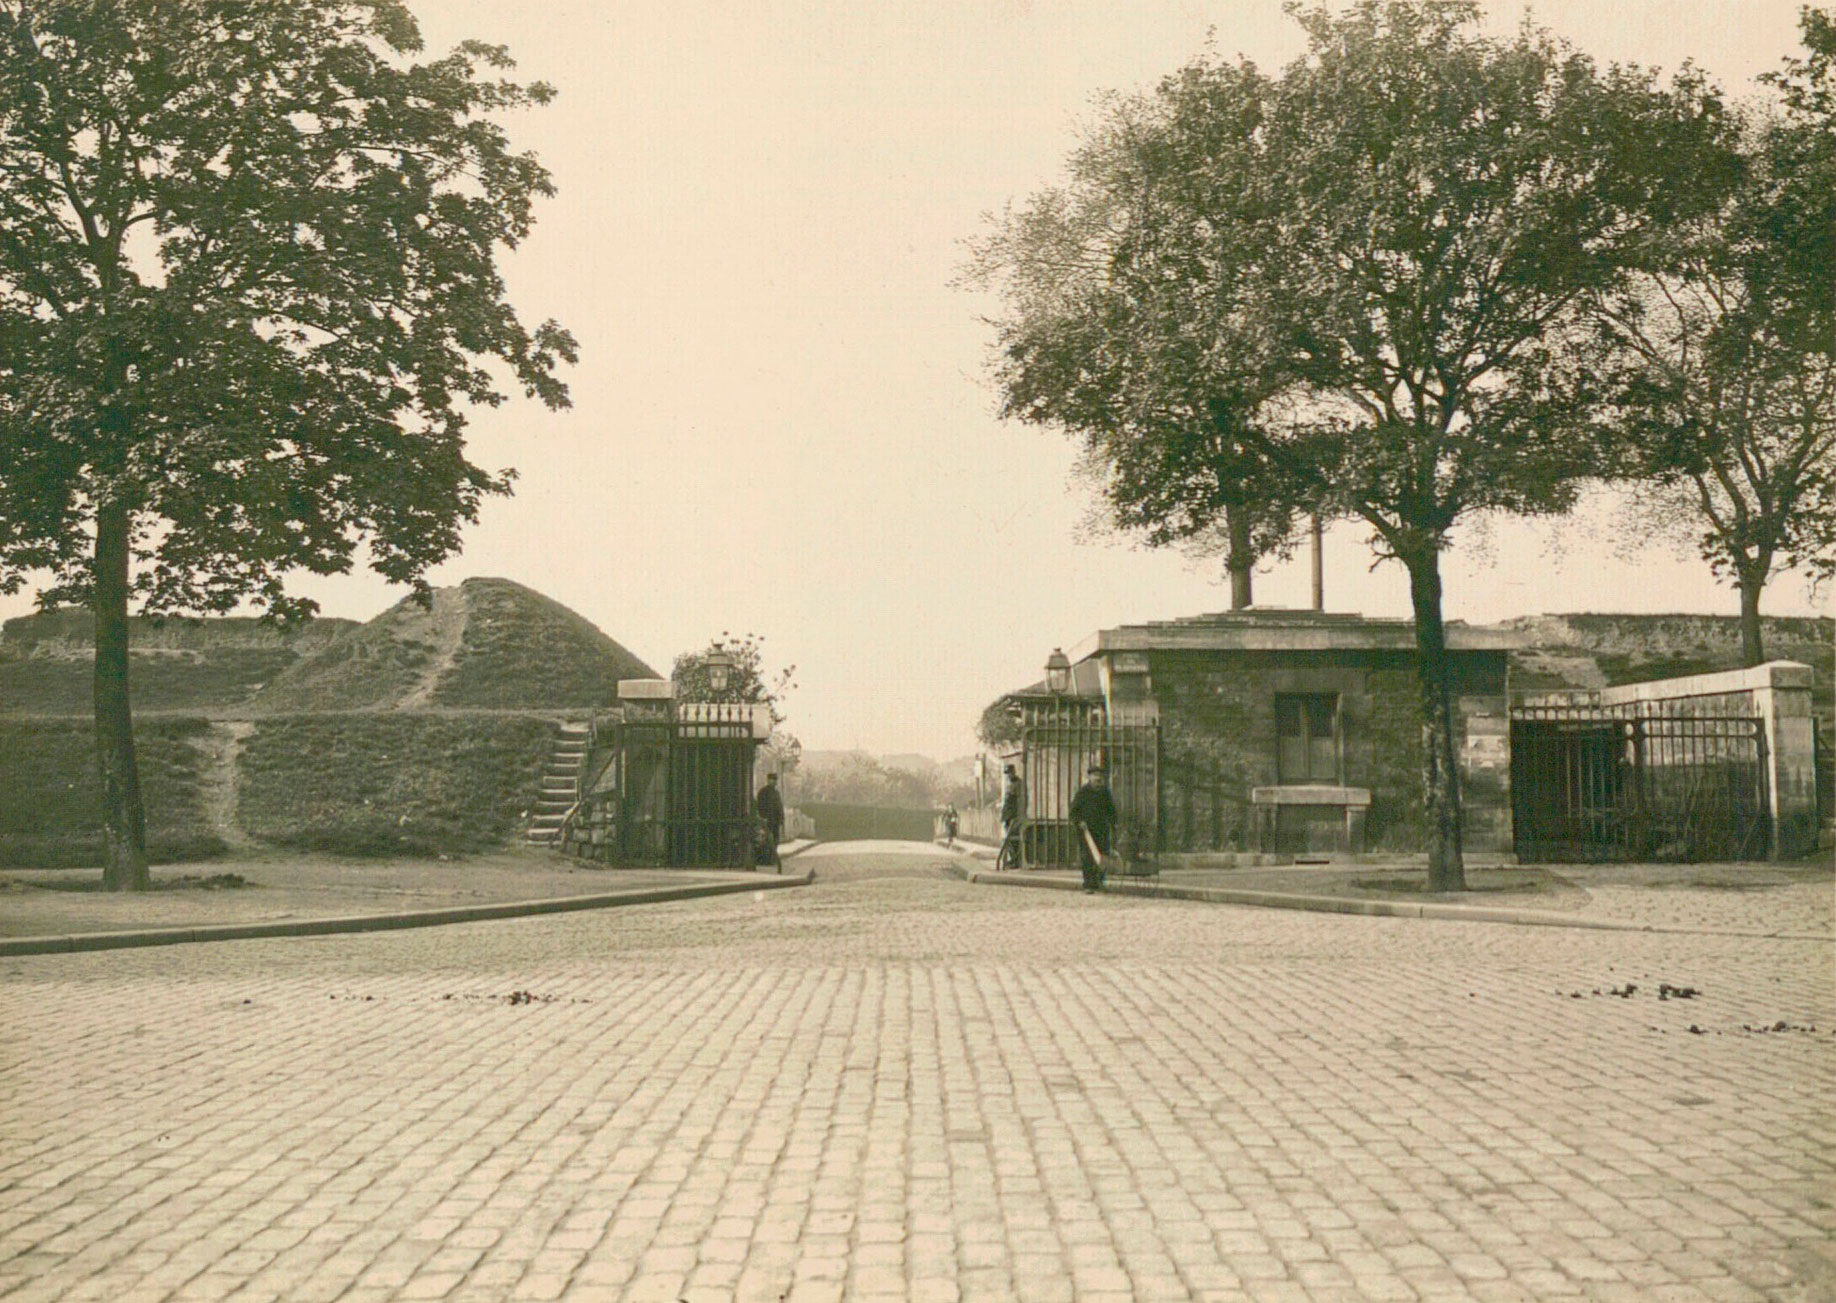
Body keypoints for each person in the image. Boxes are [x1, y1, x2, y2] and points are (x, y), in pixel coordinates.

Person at [1069, 764, 1117, 893]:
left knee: (1102, 857)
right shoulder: (1083, 792)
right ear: (1089, 778)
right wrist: (1079, 822)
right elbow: (1074, 811)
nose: (1098, 779)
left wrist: (1113, 823)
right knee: (1088, 857)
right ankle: (1089, 884)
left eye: (1100, 776)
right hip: (1087, 831)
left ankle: (1100, 881)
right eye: (1095, 776)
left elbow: (1111, 810)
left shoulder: (1105, 792)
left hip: (1102, 830)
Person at [998, 764, 1026, 870]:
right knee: (1009, 840)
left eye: (1009, 773)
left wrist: (1019, 815)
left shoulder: (1018, 784)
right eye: (1007, 774)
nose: (1008, 775)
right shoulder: (1010, 784)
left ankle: (1016, 861)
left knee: (1014, 839)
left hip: (1013, 816)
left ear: (1014, 772)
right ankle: (1013, 859)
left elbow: (1019, 800)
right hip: (1008, 816)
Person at [755, 772, 784, 868]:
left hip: (775, 821)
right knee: (767, 840)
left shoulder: (776, 793)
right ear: (768, 780)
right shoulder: (763, 792)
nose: (774, 782)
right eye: (772, 779)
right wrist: (763, 817)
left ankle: (772, 858)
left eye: (775, 780)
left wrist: (781, 819)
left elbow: (779, 807)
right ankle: (766, 859)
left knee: (775, 839)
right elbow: (760, 806)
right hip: (767, 820)